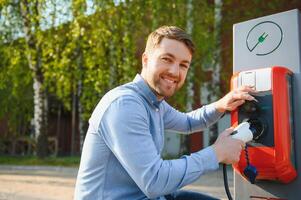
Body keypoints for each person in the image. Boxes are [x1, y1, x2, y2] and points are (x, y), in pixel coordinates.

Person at [74, 26, 256, 200]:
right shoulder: (125, 105)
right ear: (145, 60)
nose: (175, 71)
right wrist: (216, 153)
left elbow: (188, 122)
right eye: (167, 59)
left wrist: (221, 105)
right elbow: (155, 181)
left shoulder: (155, 103)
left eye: (183, 65)